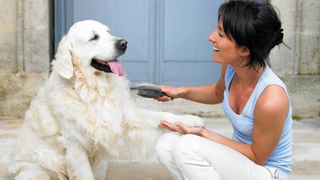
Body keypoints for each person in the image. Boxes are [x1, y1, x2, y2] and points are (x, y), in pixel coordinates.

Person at [154, 1, 292, 180]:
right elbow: (218, 92)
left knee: (188, 146)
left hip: (267, 172)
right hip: (241, 163)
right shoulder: (231, 68)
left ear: (243, 50)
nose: (211, 37)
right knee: (166, 144)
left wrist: (205, 134)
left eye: (220, 34)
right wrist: (179, 92)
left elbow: (258, 157)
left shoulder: (271, 99)